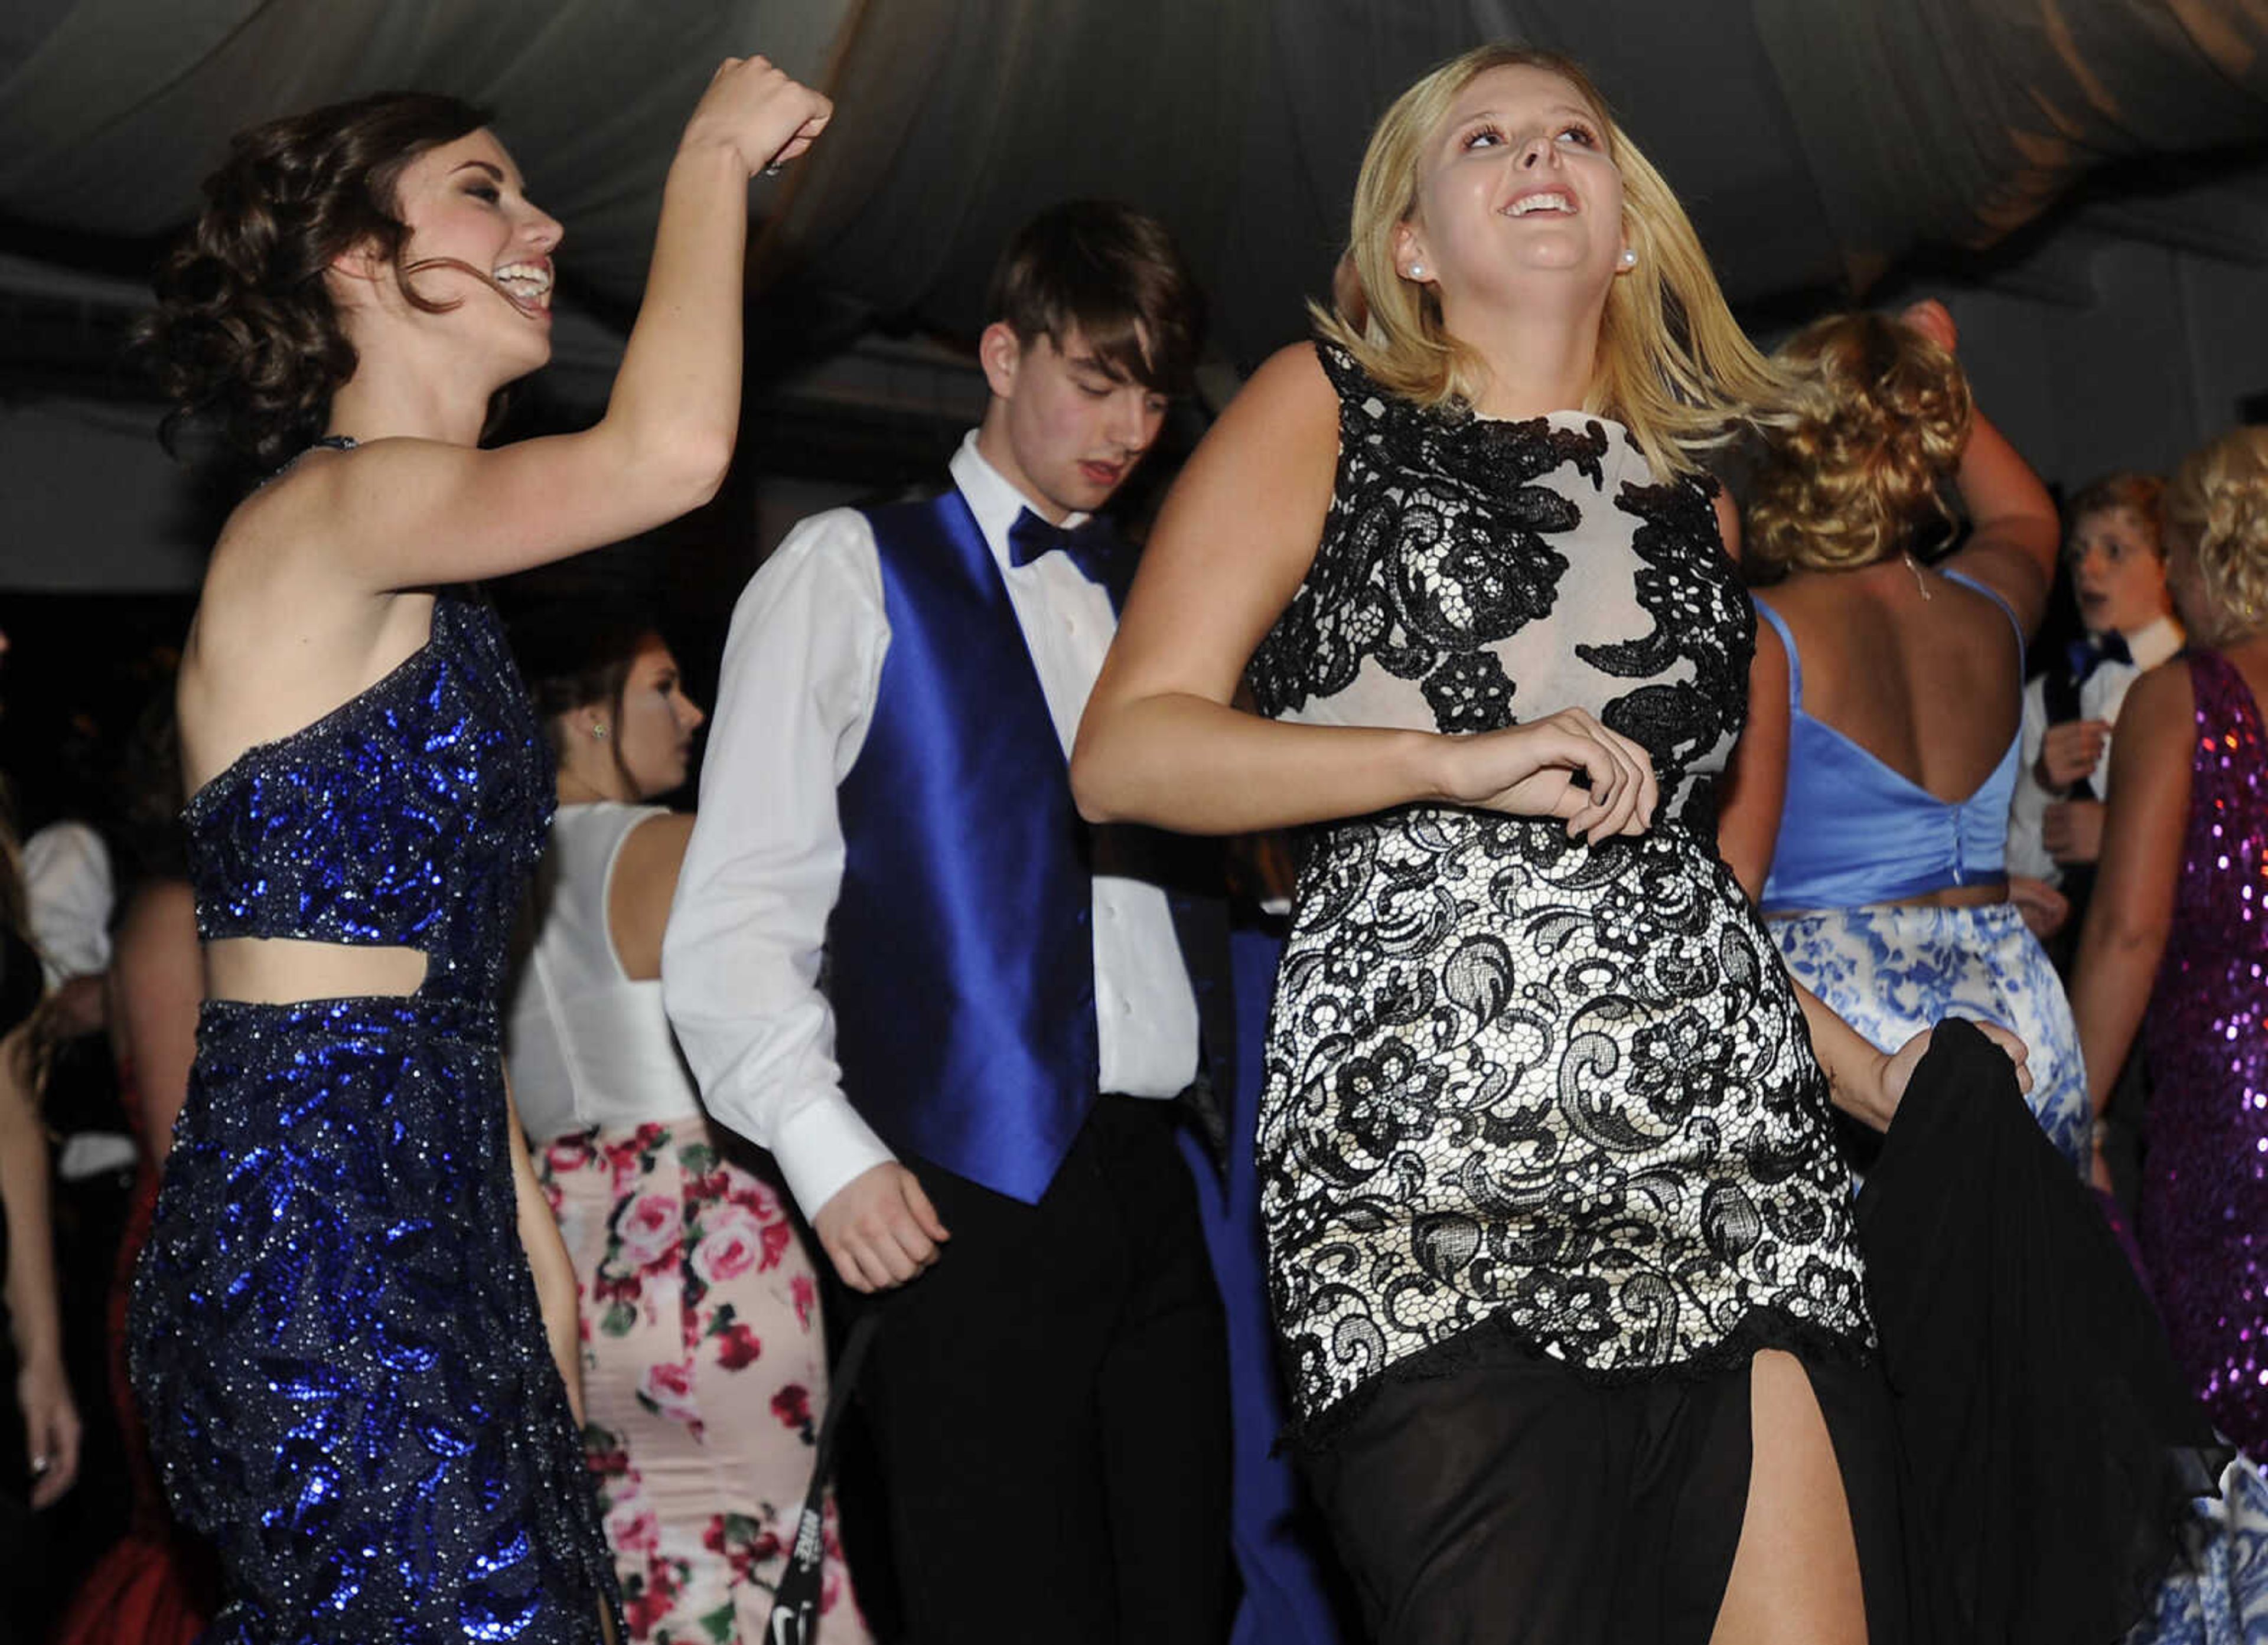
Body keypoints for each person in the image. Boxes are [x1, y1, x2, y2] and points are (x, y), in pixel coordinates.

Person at [1071, 44, 2039, 1643]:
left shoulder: (1699, 512)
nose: (1538, 155)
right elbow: (1127, 750)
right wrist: (1443, 762)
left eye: (1575, 136)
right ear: (1413, 245)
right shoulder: (1327, 408)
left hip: (1735, 1175)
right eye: (1486, 139)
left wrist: (1879, 1075)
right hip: (1424, 1181)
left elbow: (1682, 893)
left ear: (1631, 226)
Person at [126, 61, 831, 1642]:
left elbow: (449, 975)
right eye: (485, 189)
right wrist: (710, 156)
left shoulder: (442, 589)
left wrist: (536, 1256)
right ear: (361, 265)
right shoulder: (326, 517)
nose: (541, 222)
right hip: (314, 1221)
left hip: (440, 1202)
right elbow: (667, 457)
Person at [664, 200, 1235, 1644]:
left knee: (1182, 1603)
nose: (1127, 426)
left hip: (1156, 1179)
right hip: (953, 1187)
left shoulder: (1163, 606)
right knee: (1000, 1612)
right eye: (1095, 381)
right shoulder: (845, 573)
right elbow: (737, 904)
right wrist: (824, 1149)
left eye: (1153, 395)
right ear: (998, 352)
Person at [504, 607, 868, 1644]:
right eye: (664, 686)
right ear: (581, 715)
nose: (695, 711)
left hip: (567, 1260)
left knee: (639, 1583)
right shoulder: (678, 850)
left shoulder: (484, 883)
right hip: (712, 1248)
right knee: (779, 1570)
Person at [1715, 305, 2087, 1175]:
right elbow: (2029, 517)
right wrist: (1937, 368)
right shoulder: (1990, 612)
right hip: (2024, 1016)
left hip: (1864, 1036)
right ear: (1928, 445)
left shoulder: (1766, 635)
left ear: (1788, 447)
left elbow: (1731, 896)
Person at [2070, 427, 2268, 1458]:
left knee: (2239, 1438)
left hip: (2239, 1114)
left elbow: (2130, 928)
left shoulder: (2187, 697)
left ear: (2205, 552)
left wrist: (2069, 1113)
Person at [2005, 472, 2185, 945]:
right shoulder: (2045, 697)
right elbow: (2022, 872)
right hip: (2085, 959)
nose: (2089, 569)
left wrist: (2120, 838)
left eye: (2114, 550)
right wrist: (2042, 785)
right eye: (2079, 553)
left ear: (2168, 563)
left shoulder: (2202, 681)